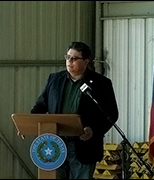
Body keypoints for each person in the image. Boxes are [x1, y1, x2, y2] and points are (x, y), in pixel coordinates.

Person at [31, 41, 119, 179]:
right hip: (55, 144)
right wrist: (29, 125)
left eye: (74, 58)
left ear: (86, 61)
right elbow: (39, 107)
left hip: (84, 146)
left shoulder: (101, 83)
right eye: (67, 57)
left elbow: (111, 114)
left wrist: (93, 130)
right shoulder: (54, 80)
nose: (69, 62)